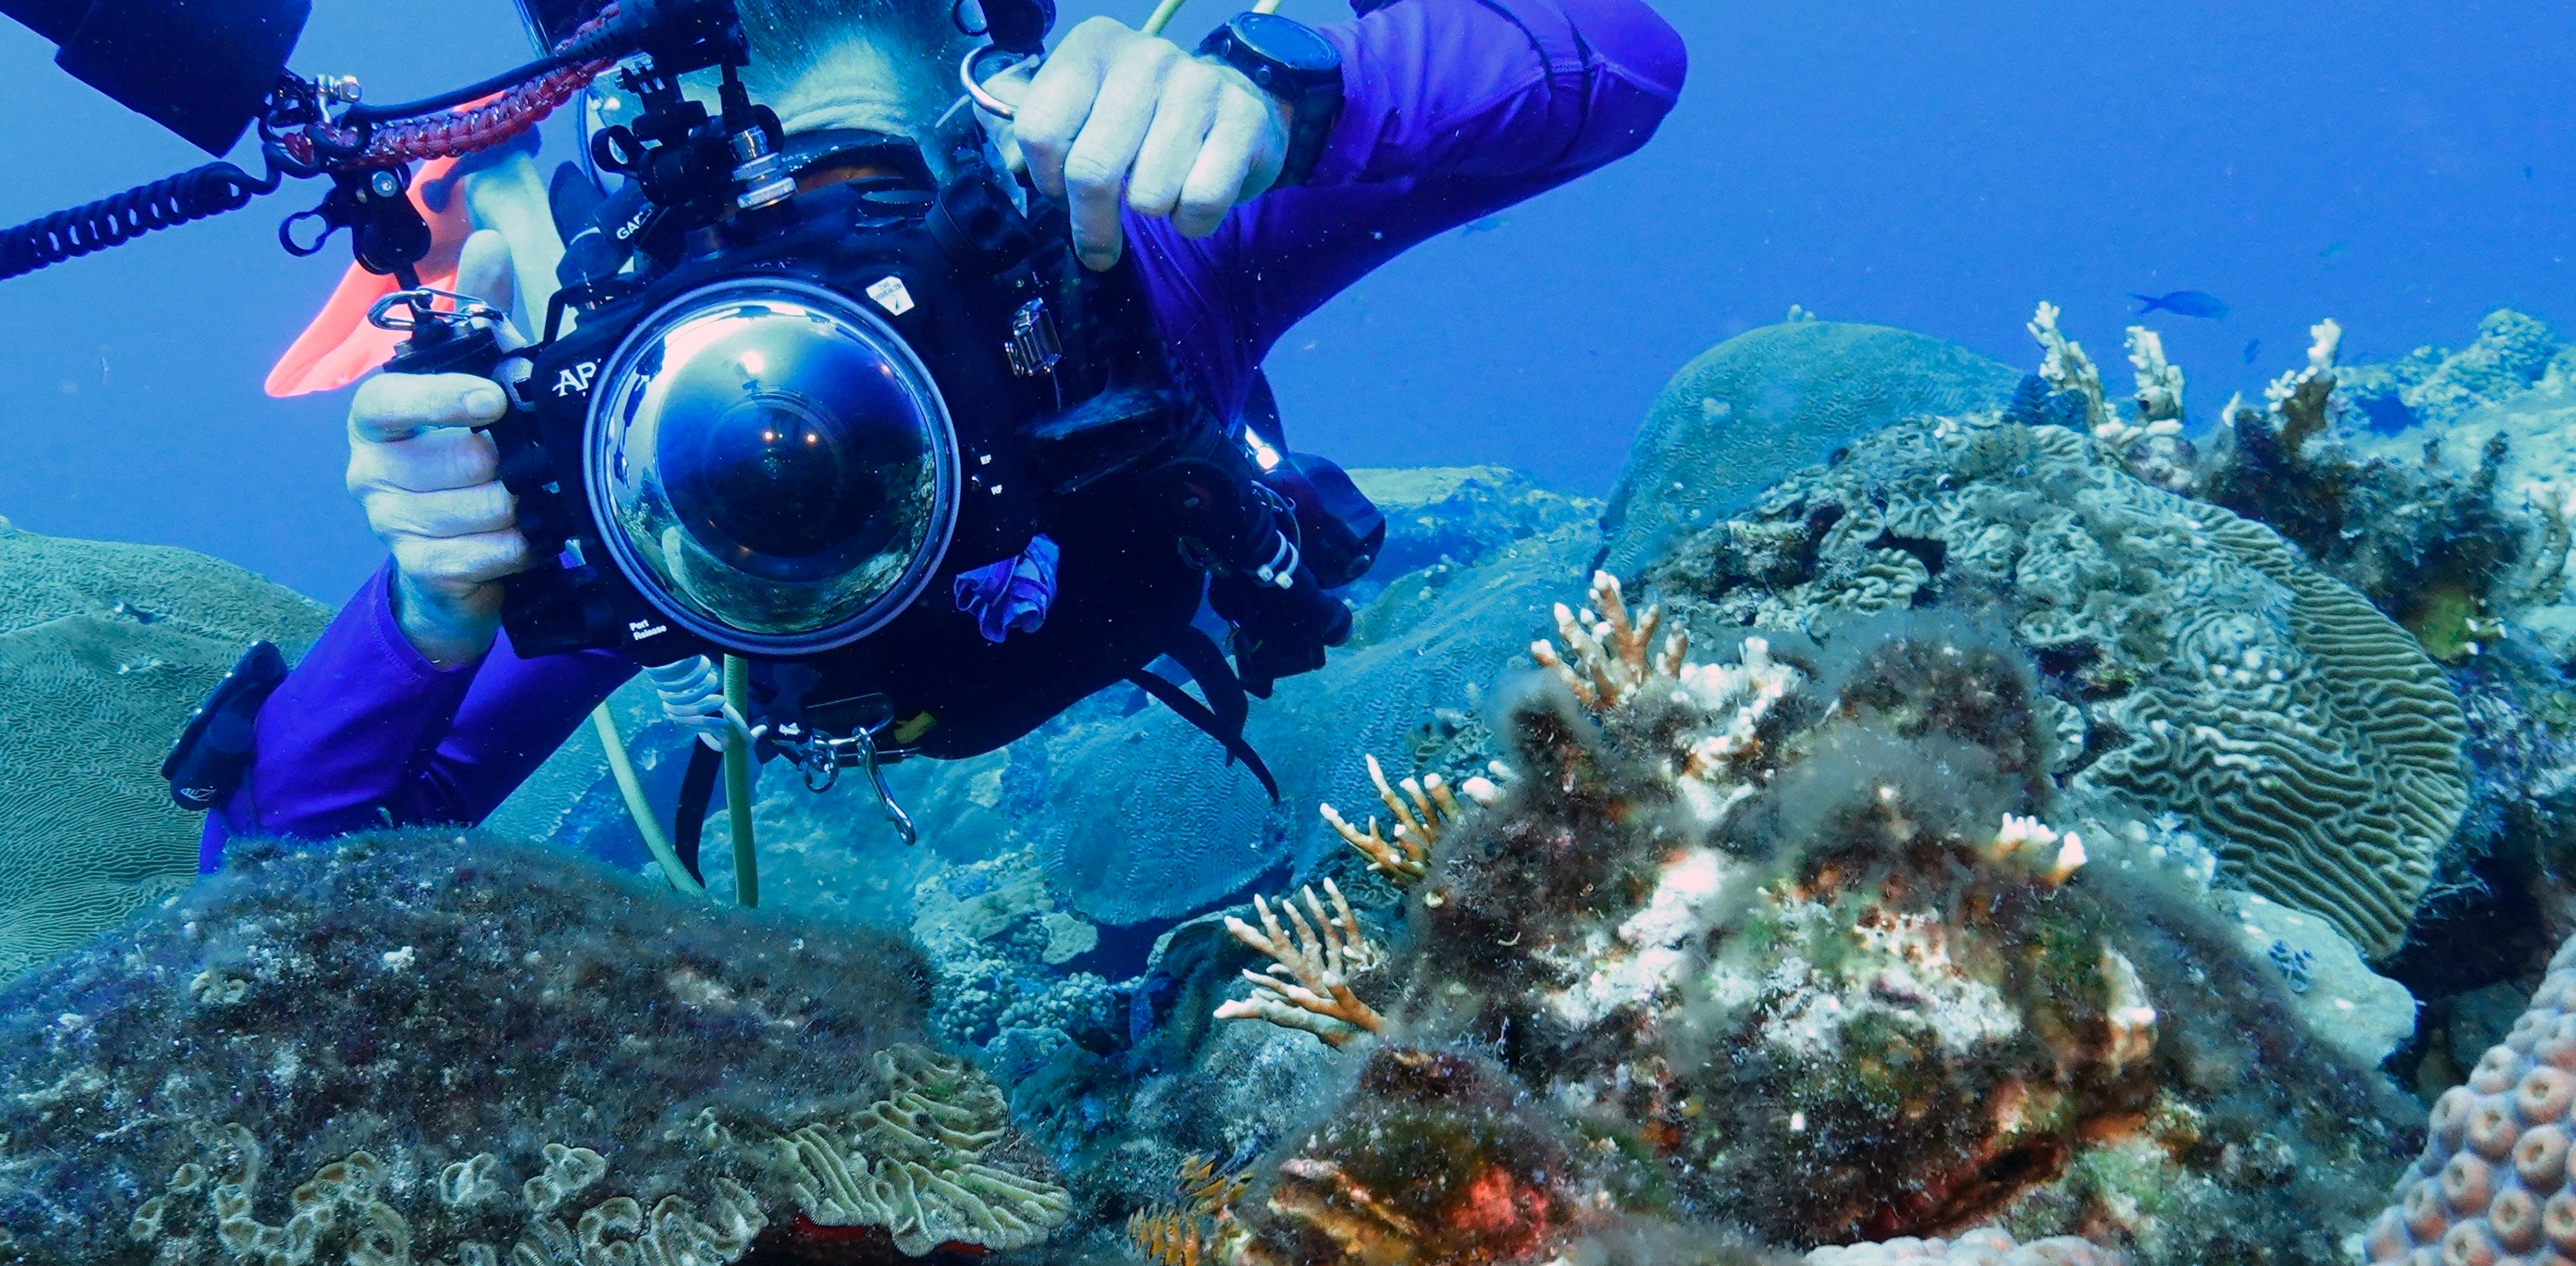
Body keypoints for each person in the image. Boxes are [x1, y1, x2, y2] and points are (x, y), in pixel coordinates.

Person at [201, 0, 1684, 860]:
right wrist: (428, 607)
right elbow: (276, 897)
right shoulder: (647, 464)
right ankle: (499, 192)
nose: (795, 421)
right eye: (755, 305)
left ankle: (502, 186)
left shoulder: (1112, 258)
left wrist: (1282, 93)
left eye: (886, 228)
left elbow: (1618, 58)